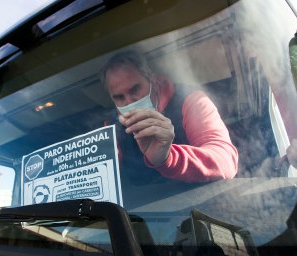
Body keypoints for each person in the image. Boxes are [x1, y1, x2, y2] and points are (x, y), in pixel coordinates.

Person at [100, 51, 238, 184]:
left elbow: (225, 161)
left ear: (152, 81)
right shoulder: (111, 127)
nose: (130, 102)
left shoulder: (190, 101)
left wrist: (168, 157)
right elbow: (105, 177)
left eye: (135, 89)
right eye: (119, 97)